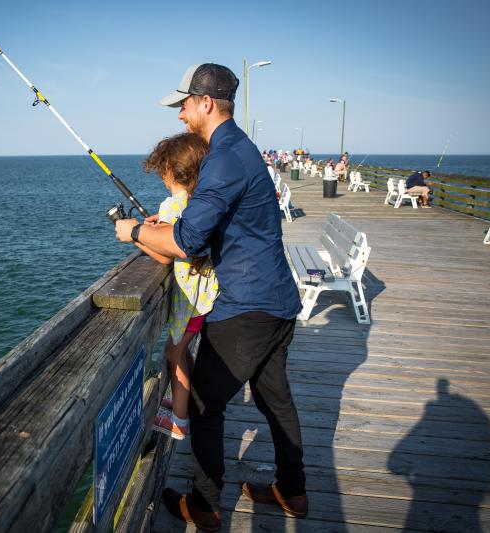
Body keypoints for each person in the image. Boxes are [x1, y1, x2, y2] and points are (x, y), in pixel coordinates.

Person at [114, 63, 307, 531]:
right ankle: (293, 491)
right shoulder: (239, 149)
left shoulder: (222, 159)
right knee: (275, 400)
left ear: (205, 103)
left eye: (184, 104)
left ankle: (205, 505)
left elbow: (186, 242)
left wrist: (133, 230)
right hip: (276, 298)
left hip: (247, 304)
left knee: (202, 404)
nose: (180, 114)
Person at [135, 132, 220, 441]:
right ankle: (187, 399)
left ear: (169, 171)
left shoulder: (173, 205)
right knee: (181, 352)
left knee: (173, 354)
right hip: (205, 296)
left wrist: (136, 234)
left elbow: (163, 253)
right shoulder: (200, 202)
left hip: (191, 302)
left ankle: (180, 420)